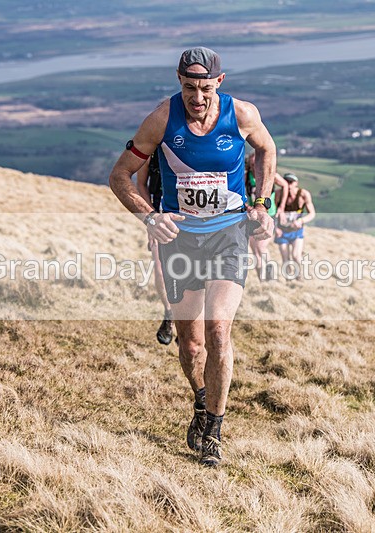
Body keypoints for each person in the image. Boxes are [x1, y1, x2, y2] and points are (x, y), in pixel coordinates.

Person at [109, 47, 276, 467]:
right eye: (188, 88)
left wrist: (261, 202)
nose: (197, 98)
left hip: (228, 236)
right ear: (178, 82)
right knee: (192, 343)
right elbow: (119, 175)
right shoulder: (162, 119)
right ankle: (201, 402)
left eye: (204, 88)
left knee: (219, 329)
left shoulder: (241, 114)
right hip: (180, 243)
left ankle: (214, 431)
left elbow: (266, 149)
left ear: (219, 82)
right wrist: (149, 217)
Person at [136, 148, 174, 345]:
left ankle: (189, 322)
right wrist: (150, 220)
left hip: (189, 219)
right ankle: (169, 314)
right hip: (159, 219)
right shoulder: (150, 149)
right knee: (160, 271)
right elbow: (141, 184)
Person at [245, 150, 288, 281]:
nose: (254, 166)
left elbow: (285, 185)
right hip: (252, 215)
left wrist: (281, 207)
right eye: (252, 164)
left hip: (269, 214)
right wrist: (247, 206)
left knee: (261, 247)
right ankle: (262, 280)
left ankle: (271, 276)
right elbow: (240, 192)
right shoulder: (246, 176)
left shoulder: (270, 174)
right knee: (255, 250)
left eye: (256, 163)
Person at [275, 172, 316, 280]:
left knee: (296, 255)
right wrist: (275, 227)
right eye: (286, 182)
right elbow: (272, 212)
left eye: (291, 182)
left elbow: (312, 213)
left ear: (296, 183)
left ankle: (300, 277)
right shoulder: (278, 194)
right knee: (285, 258)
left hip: (297, 231)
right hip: (282, 231)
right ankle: (289, 280)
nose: (289, 185)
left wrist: (301, 220)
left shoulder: (303, 194)